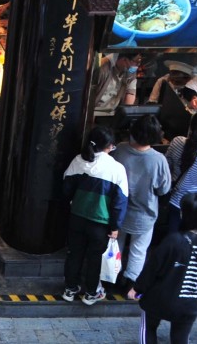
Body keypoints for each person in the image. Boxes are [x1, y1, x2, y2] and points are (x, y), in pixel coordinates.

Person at [132, 192, 197, 344]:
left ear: (185, 215)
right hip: (190, 303)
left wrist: (138, 289)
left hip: (160, 298)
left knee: (148, 329)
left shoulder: (174, 241)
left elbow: (153, 268)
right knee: (180, 338)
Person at [60, 127, 128, 305]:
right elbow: (119, 203)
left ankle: (70, 289)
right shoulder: (116, 169)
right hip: (100, 223)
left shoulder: (78, 161)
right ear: (109, 146)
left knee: (74, 253)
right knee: (95, 258)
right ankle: (91, 293)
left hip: (76, 217)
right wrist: (115, 226)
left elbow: (66, 188)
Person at [110, 115, 171, 292]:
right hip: (145, 214)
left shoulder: (120, 150)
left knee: (116, 245)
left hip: (119, 211)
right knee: (139, 250)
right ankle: (130, 284)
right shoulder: (158, 159)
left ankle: (111, 277)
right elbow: (163, 189)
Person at [159, 111, 197, 239]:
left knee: (172, 238)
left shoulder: (177, 141)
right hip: (193, 209)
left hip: (174, 200)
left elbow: (167, 165)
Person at [93, 52, 142, 119]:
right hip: (96, 112)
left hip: (114, 113)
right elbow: (90, 96)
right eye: (136, 62)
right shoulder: (103, 70)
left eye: (139, 62)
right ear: (124, 59)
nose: (137, 65)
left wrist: (125, 114)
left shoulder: (130, 71)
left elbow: (131, 93)